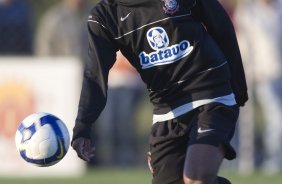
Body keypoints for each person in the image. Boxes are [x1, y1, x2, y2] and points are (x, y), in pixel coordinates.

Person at [71, 0, 248, 184]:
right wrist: (83, 126)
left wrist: (238, 84)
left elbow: (221, 26)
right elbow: (94, 75)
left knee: (196, 178)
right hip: (167, 109)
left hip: (211, 94)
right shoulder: (104, 16)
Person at [235, 0, 282, 174]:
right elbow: (244, 44)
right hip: (263, 75)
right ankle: (271, 161)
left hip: (279, 73)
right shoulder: (249, 12)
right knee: (276, 119)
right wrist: (245, 71)